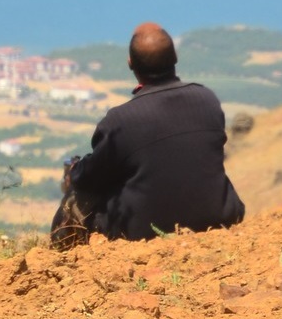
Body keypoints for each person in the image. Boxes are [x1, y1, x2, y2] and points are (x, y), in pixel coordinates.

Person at [51, 22, 245, 246]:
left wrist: (74, 172)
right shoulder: (207, 100)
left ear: (130, 64)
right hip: (218, 218)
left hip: (145, 231)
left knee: (77, 197)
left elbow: (90, 179)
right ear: (175, 57)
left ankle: (58, 264)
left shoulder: (120, 121)